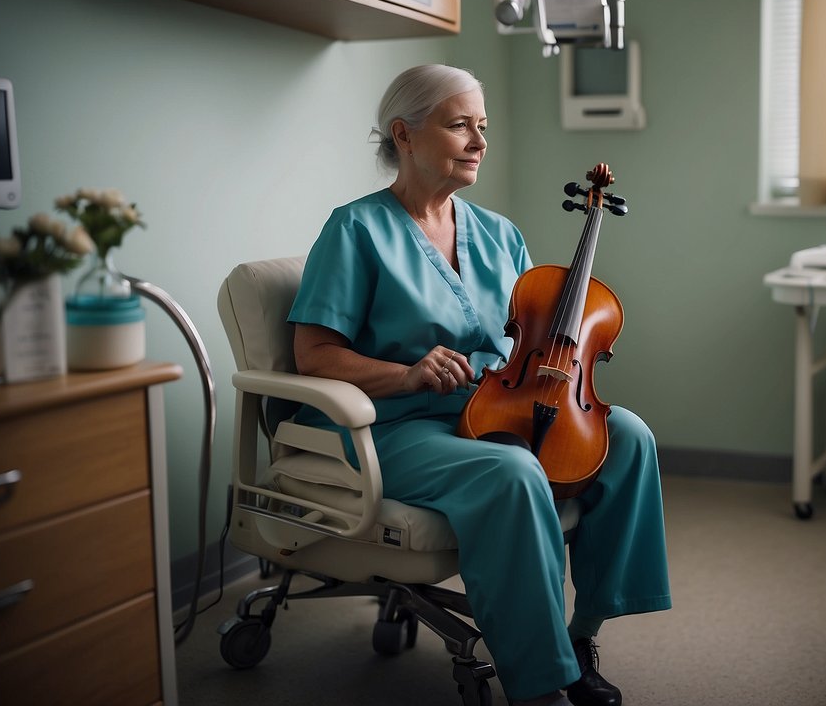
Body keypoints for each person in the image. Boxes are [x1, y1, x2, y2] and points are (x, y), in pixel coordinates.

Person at [287, 64, 671, 706]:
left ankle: (581, 636)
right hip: (396, 424)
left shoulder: (500, 233)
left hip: (492, 404)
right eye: (459, 124)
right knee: (512, 473)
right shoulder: (354, 229)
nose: (478, 140)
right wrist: (407, 373)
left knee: (627, 435)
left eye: (482, 126)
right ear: (403, 135)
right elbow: (313, 354)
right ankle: (543, 683)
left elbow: (528, 337)